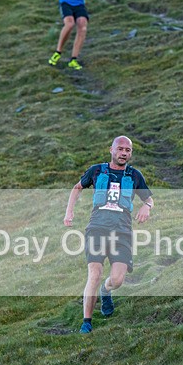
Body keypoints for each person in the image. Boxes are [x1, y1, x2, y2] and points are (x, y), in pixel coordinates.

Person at [64, 136, 154, 333]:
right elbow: (77, 188)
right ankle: (86, 322)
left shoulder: (135, 175)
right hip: (97, 229)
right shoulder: (97, 170)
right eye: (120, 149)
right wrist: (69, 211)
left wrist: (146, 206)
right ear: (111, 150)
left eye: (128, 150)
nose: (124, 153)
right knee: (94, 274)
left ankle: (106, 291)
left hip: (122, 233)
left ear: (130, 153)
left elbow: (149, 199)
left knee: (117, 280)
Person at [46, 0, 101, 70]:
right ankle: (58, 52)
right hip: (66, 3)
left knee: (82, 26)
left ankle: (73, 59)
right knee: (69, 23)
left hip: (79, 4)